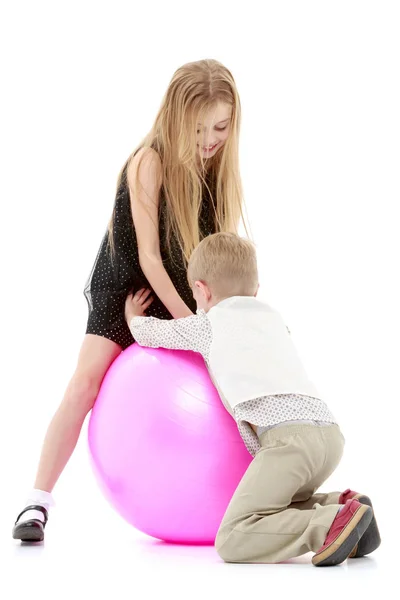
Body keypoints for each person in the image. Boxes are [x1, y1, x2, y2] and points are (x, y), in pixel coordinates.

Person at [13, 59, 247, 542]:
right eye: (199, 129)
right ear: (176, 120)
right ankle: (36, 503)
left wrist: (222, 318)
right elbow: (149, 257)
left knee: (242, 381)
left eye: (220, 127)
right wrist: (192, 327)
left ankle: (262, 498)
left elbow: (215, 258)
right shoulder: (150, 161)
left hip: (185, 292)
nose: (209, 140)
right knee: (85, 385)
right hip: (129, 286)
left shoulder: (217, 171)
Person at [125, 232, 381, 566]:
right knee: (277, 506)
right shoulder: (274, 319)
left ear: (201, 290)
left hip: (287, 442)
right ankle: (343, 505)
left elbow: (151, 333)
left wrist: (132, 316)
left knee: (233, 536)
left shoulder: (209, 324)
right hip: (330, 436)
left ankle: (328, 523)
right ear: (255, 290)